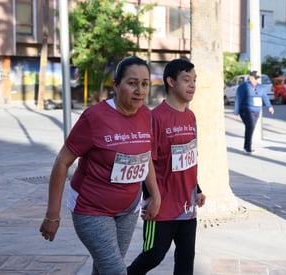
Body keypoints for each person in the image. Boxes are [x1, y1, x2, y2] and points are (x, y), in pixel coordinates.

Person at [39, 56, 161, 275]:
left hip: (128, 209)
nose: (140, 90)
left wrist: (155, 195)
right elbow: (62, 162)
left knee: (105, 268)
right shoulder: (94, 117)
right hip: (91, 209)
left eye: (144, 84)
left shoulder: (146, 115)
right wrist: (52, 215)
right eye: (132, 83)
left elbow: (145, 157)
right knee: (115, 270)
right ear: (115, 85)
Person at [127, 58, 206, 275]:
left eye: (194, 80)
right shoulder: (155, 117)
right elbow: (146, 161)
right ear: (171, 81)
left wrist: (197, 189)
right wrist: (151, 197)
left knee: (186, 260)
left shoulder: (191, 117)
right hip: (161, 206)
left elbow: (189, 159)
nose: (192, 85)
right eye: (186, 80)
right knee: (153, 255)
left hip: (187, 207)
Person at [233, 70, 274, 154]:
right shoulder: (243, 86)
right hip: (246, 110)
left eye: (257, 79)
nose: (256, 80)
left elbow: (265, 97)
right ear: (250, 77)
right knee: (250, 126)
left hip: (256, 110)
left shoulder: (260, 87)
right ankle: (247, 147)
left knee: (251, 128)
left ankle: (247, 146)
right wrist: (236, 113)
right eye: (255, 78)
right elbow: (238, 99)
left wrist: (269, 106)